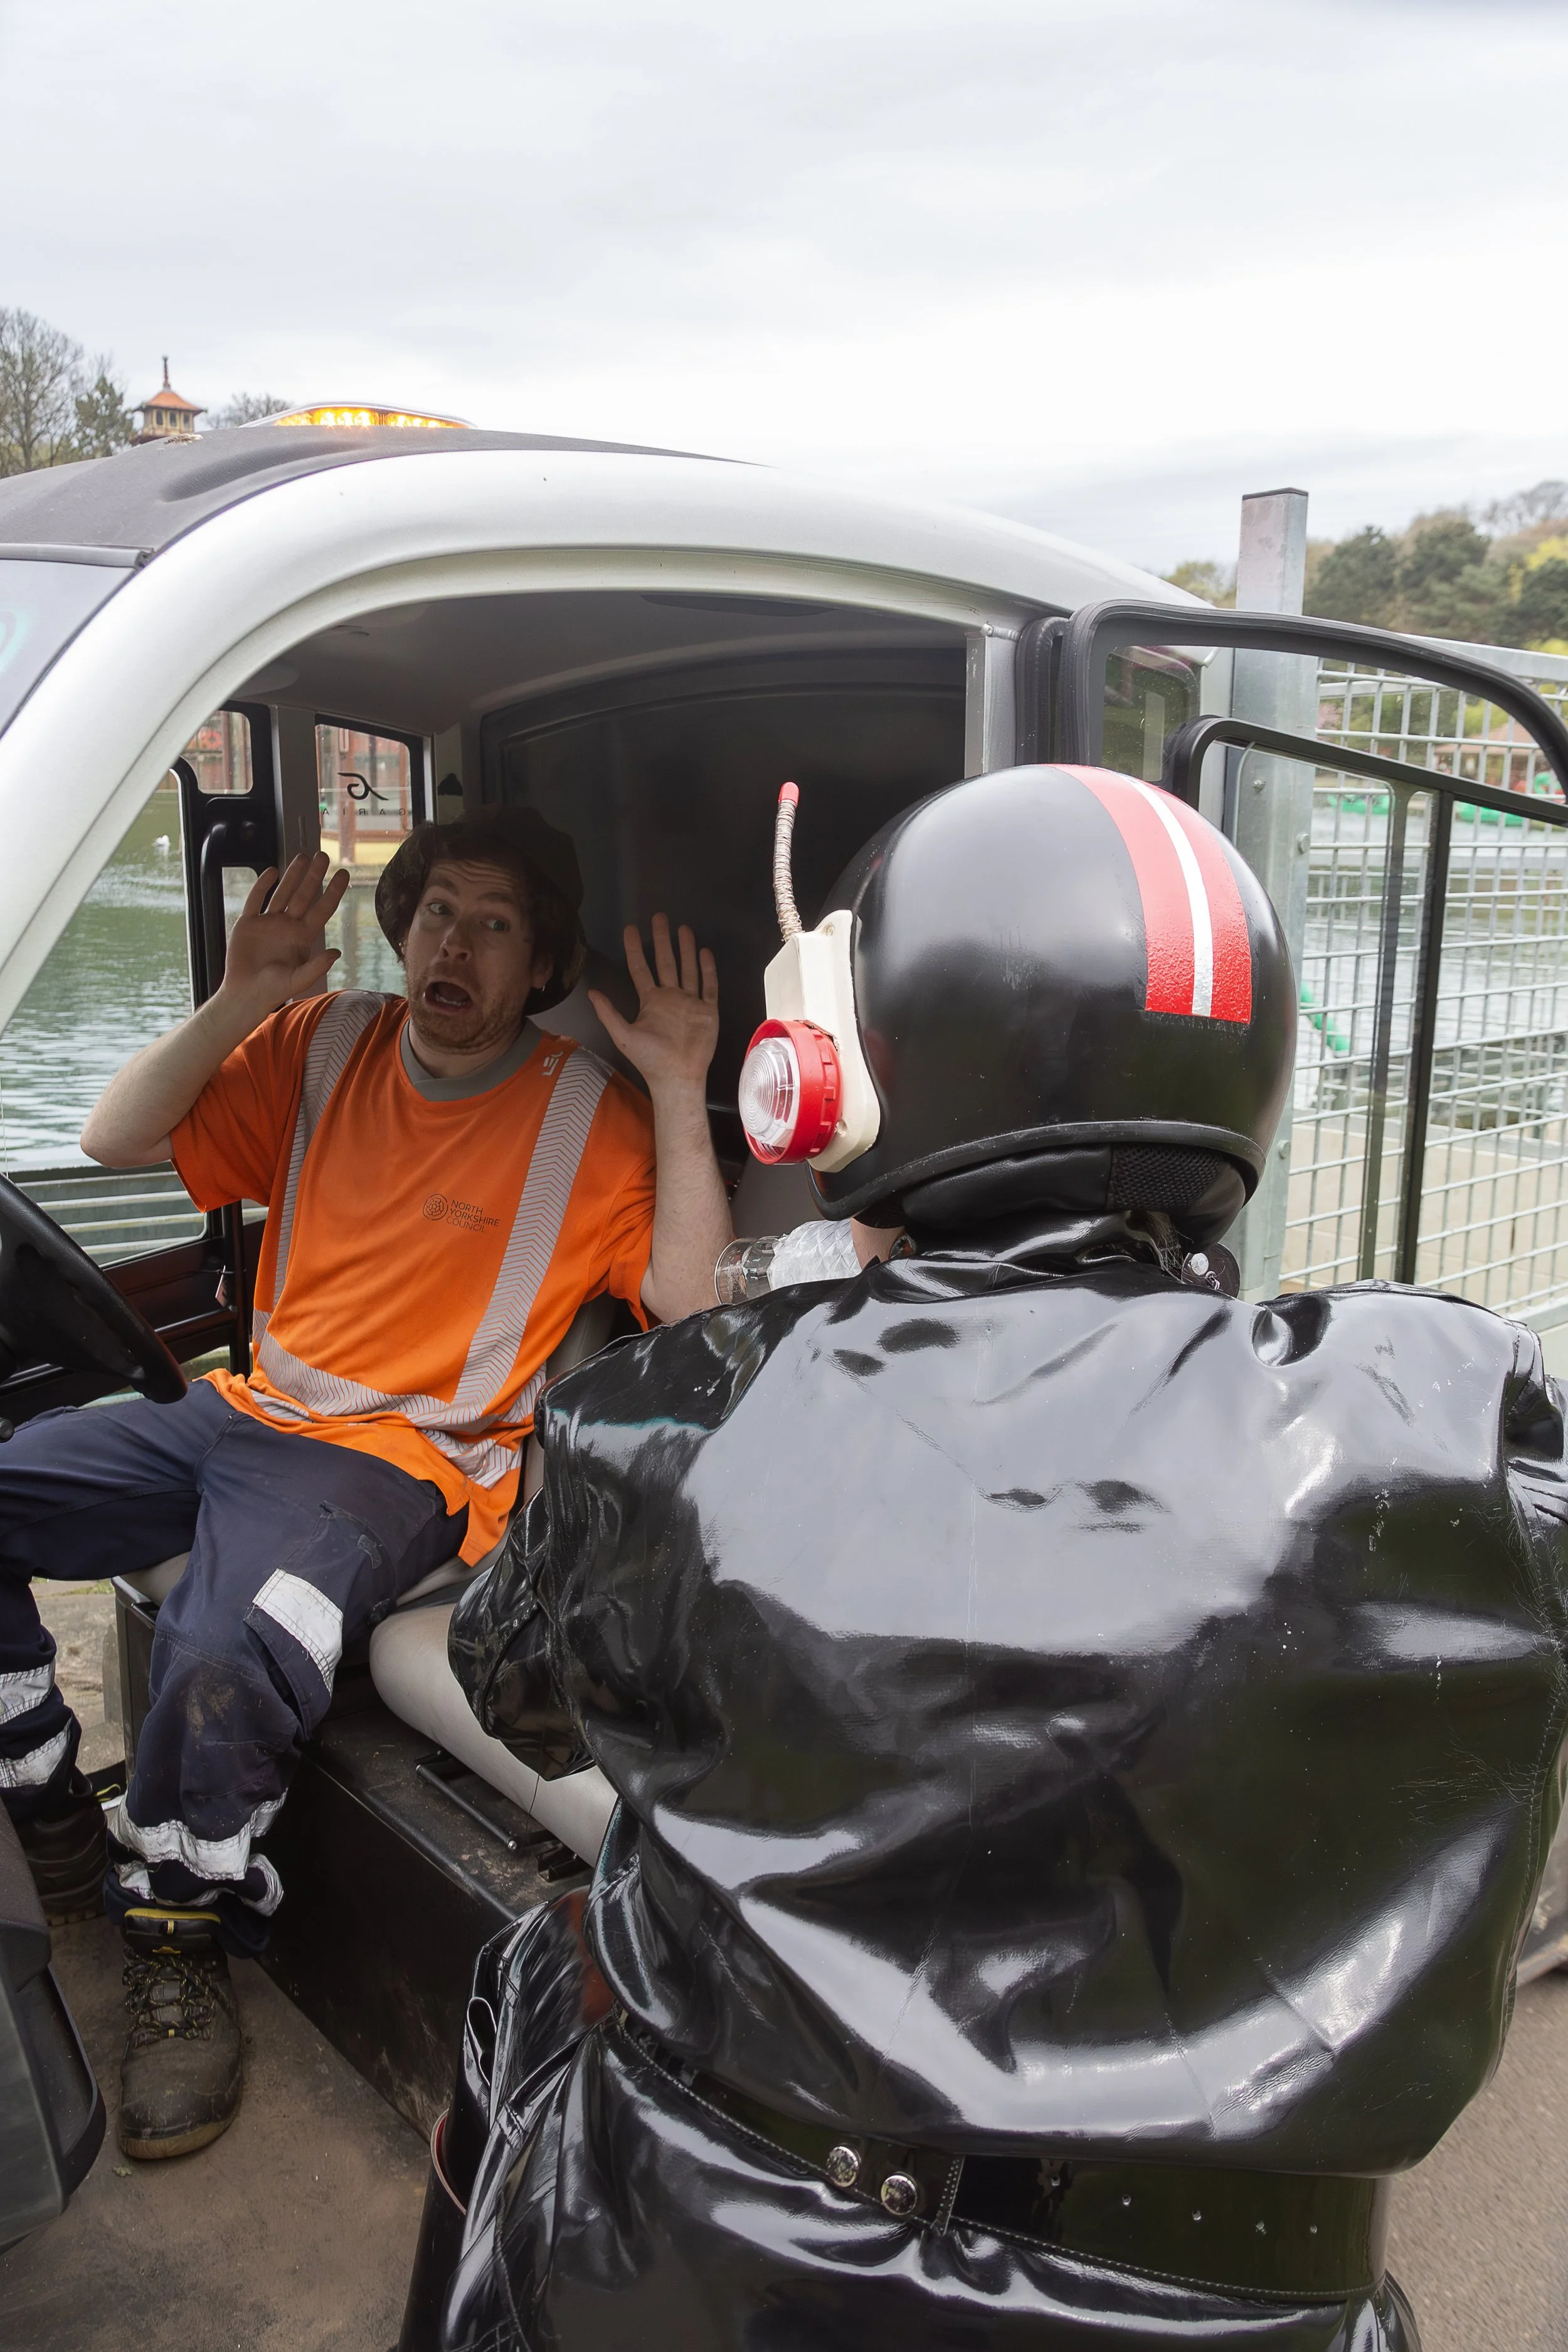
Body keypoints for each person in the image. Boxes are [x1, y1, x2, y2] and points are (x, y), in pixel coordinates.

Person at [421, 763, 1568, 2351]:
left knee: (529, 1972)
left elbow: (516, 1688)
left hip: (698, 2257)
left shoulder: (655, 1420)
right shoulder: (1462, 1422)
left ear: (836, 1078)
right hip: (1258, 2304)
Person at [0, 805, 731, 2161]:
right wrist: (239, 995)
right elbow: (112, 1139)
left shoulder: (597, 1120)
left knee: (228, 1650)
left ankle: (178, 1933)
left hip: (402, 1462)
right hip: (241, 1414)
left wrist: (681, 1091)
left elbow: (690, 1307)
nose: (454, 944)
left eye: (495, 924)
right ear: (400, 932)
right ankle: (46, 1801)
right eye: (436, 912)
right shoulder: (323, 1042)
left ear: (540, 963)